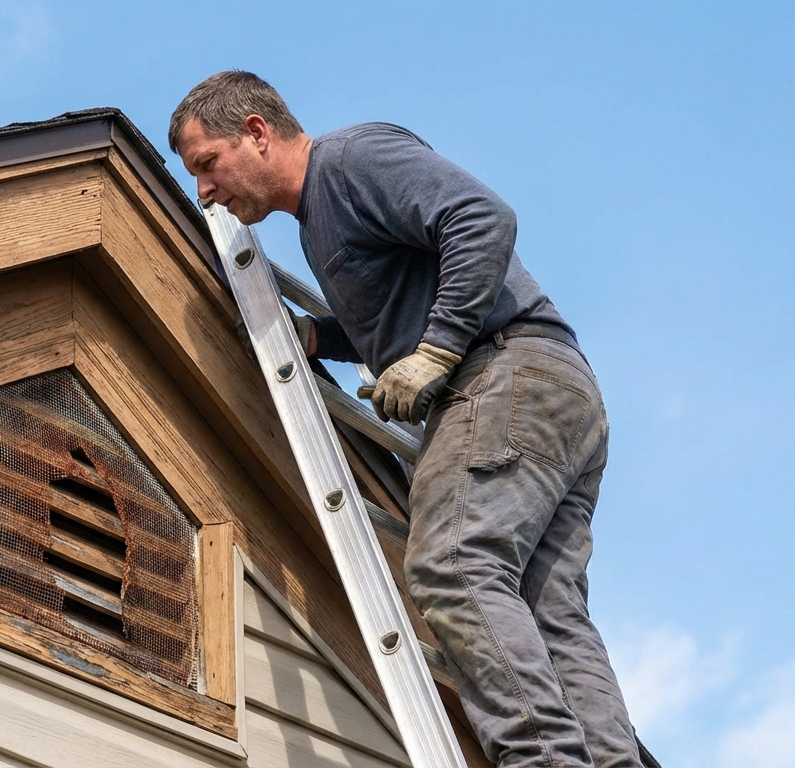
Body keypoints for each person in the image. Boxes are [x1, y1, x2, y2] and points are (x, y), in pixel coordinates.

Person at [170, 71, 650, 768]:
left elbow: (482, 217)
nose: (204, 190)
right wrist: (320, 340)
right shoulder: (318, 225)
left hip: (506, 374)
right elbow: (393, 313)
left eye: (207, 165)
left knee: (453, 564)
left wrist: (437, 351)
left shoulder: (351, 161)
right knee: (550, 614)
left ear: (256, 131)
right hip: (549, 392)